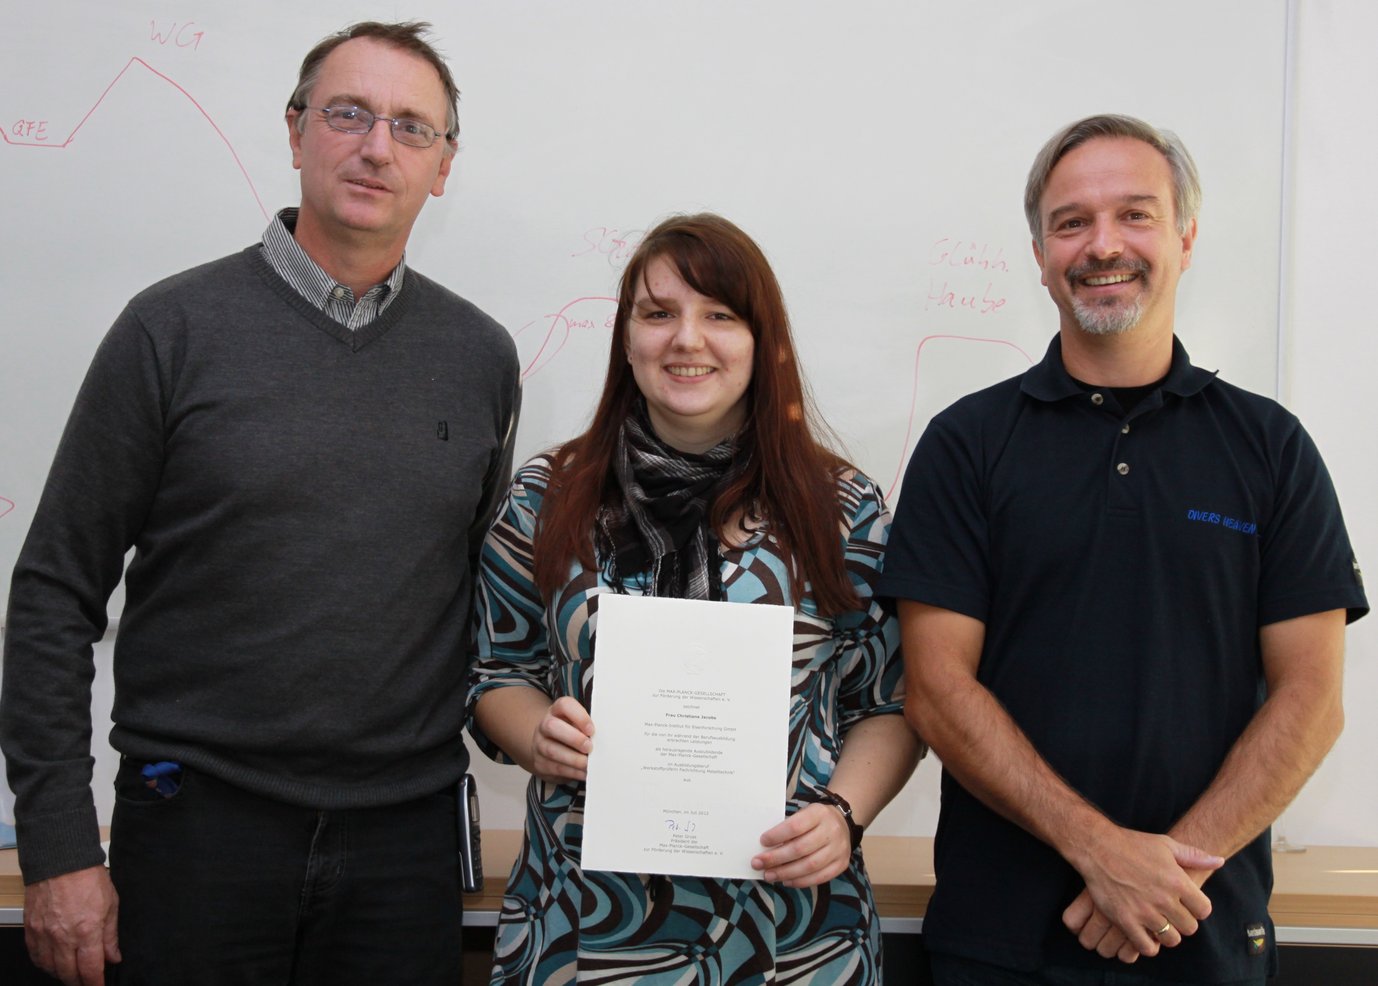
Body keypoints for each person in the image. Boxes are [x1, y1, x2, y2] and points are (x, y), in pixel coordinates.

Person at [0, 20, 520, 986]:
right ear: (294, 132)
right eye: (348, 114)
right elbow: (52, 594)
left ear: (443, 167)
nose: (376, 146)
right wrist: (61, 847)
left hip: (401, 850)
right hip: (197, 828)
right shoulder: (170, 330)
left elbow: (467, 592)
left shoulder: (480, 358)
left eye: (413, 128)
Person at [878, 113, 1369, 985]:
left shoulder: (1269, 445)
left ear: (1184, 236)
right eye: (1072, 222)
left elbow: (1313, 695)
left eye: (1134, 214)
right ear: (1040, 254)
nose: (1103, 244)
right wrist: (1099, 852)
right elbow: (938, 690)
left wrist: (1164, 872)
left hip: (1203, 935)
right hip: (1000, 946)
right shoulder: (968, 444)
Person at [468, 213, 921, 984]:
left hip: (793, 927)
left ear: (762, 342)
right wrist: (536, 731)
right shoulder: (547, 497)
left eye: (720, 315)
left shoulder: (840, 507)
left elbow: (892, 701)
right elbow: (495, 673)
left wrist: (844, 816)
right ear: (626, 337)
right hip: (582, 917)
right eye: (659, 313)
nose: (687, 339)